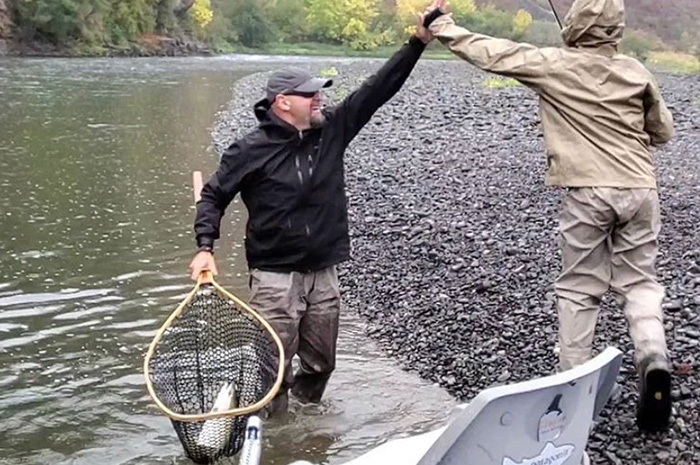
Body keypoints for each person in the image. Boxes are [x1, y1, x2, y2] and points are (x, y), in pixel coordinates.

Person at [422, 0, 674, 432]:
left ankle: (571, 394)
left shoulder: (553, 63)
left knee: (579, 287)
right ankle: (652, 353)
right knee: (639, 282)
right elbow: (662, 131)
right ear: (617, 29)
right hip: (640, 189)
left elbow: (492, 53)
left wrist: (441, 25)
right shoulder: (636, 70)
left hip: (587, 191)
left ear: (575, 25)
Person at [190, 15, 434, 413]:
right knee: (273, 371)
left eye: (319, 93)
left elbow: (376, 90)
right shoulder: (248, 150)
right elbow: (213, 197)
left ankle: (305, 422)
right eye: (310, 94)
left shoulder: (332, 130)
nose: (320, 99)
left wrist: (417, 43)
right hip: (274, 277)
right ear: (283, 102)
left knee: (321, 364)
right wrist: (205, 247)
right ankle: (273, 432)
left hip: (323, 271)